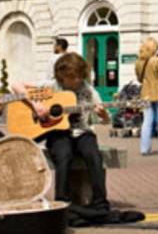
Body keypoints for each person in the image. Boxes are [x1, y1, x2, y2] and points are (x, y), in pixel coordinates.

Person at [46, 53, 110, 208]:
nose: (77, 81)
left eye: (79, 77)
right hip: (58, 133)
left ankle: (100, 202)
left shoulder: (88, 90)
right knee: (64, 155)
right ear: (62, 76)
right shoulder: (51, 87)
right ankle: (61, 201)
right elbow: (19, 88)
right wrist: (39, 108)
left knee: (94, 155)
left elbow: (106, 120)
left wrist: (103, 114)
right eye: (72, 77)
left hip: (82, 131)